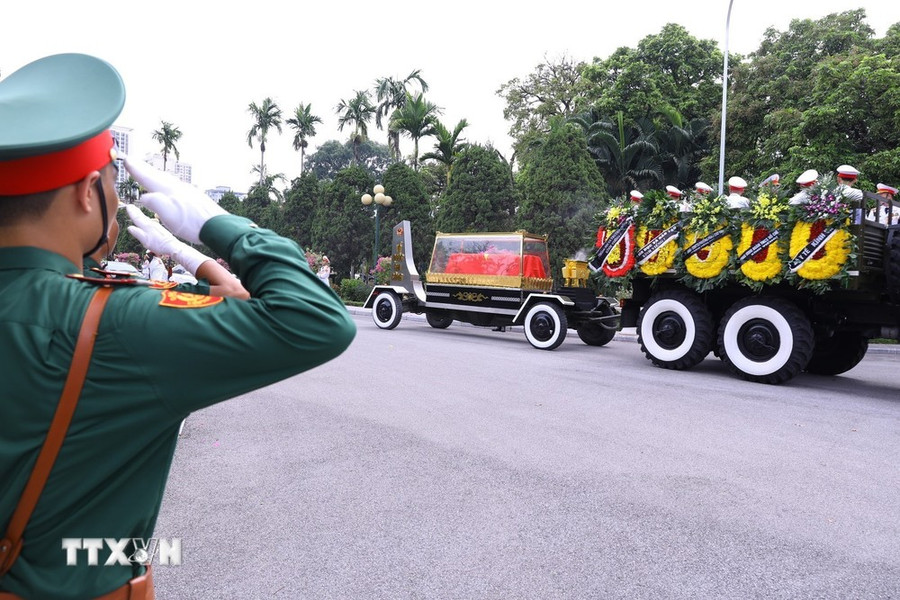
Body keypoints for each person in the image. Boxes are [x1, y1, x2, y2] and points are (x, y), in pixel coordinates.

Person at [0, 53, 355, 599]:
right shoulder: (115, 326)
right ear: (84, 192)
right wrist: (216, 227)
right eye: (112, 185)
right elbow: (312, 318)